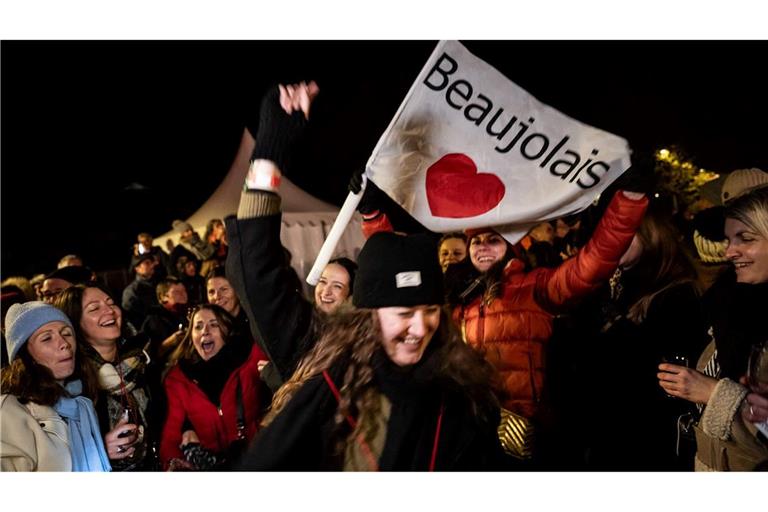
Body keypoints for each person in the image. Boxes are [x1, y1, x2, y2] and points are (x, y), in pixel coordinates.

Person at [569, 207, 710, 470]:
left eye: (625, 233)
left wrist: (613, 326)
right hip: (612, 434)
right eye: (609, 234)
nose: (613, 240)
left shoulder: (678, 293)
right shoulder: (620, 284)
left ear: (651, 235)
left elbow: (657, 372)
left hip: (649, 442)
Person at [658, 188, 768, 470]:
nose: (729, 252)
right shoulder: (735, 302)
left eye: (745, 239)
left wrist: (713, 393)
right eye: (729, 239)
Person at [54, 283, 159, 471]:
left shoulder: (142, 360)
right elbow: (57, 455)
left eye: (111, 303)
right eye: (94, 308)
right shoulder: (72, 381)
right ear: (75, 324)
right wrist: (100, 449)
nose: (109, 311)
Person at [1, 302, 111, 471]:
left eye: (67, 334)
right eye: (47, 338)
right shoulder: (9, 412)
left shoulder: (80, 403)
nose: (64, 343)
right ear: (25, 355)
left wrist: (104, 447)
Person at [160, 304, 268, 470]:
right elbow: (171, 437)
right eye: (198, 326)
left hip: (256, 460)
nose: (205, 331)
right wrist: (173, 464)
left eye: (214, 324)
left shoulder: (249, 359)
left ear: (227, 331)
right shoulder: (178, 379)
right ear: (191, 336)